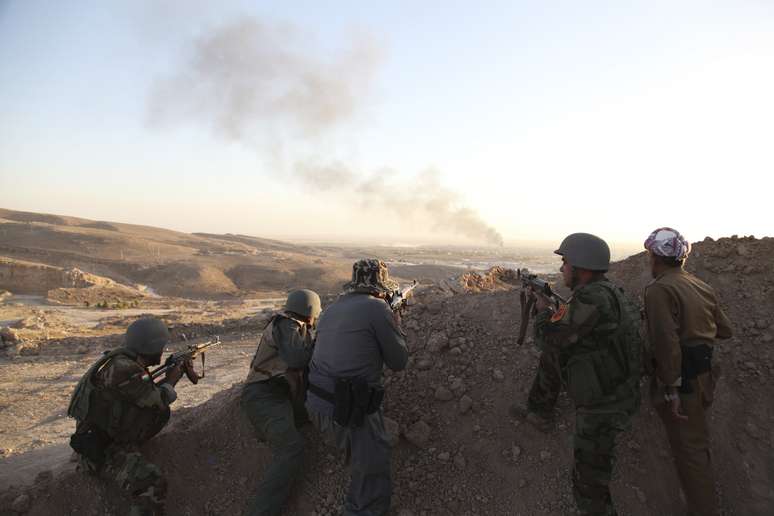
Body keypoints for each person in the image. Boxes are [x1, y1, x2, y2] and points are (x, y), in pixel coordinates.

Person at [533, 233, 642, 516]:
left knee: (589, 483)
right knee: (554, 359)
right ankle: (539, 409)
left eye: (565, 262)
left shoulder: (593, 297)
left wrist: (543, 312)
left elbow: (549, 339)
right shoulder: (608, 290)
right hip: (620, 385)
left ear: (581, 267)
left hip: (605, 404)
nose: (561, 269)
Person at [306, 259, 408, 516]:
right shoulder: (377, 309)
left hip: (318, 403)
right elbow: (398, 362)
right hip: (350, 407)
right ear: (381, 287)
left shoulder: (331, 309)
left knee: (362, 467)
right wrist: (396, 321)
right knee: (372, 478)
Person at [642, 227, 733, 516]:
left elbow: (666, 342)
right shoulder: (700, 285)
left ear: (655, 257)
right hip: (704, 376)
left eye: (650, 255)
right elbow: (725, 330)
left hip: (685, 383)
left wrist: (673, 388)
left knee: (690, 454)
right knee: (696, 445)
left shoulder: (659, 289)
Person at [67, 317, 184, 516]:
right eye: (161, 346)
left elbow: (142, 392)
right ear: (151, 347)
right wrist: (173, 378)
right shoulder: (124, 369)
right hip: (101, 449)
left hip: (103, 435)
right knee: (152, 483)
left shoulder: (124, 361)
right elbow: (157, 399)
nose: (162, 351)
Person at [240, 289, 321, 516]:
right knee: (290, 448)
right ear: (310, 311)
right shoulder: (287, 324)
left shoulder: (296, 326)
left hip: (280, 394)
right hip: (263, 394)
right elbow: (297, 359)